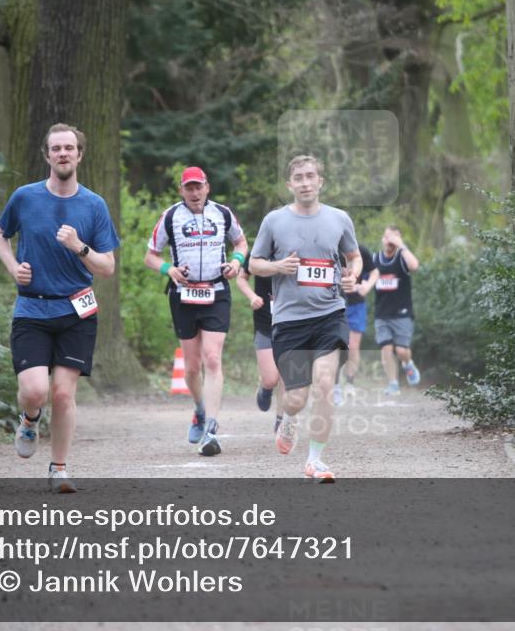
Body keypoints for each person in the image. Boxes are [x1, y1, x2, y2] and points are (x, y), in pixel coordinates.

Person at [0, 123, 120, 493]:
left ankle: (59, 468)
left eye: (69, 148)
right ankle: (30, 419)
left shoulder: (93, 205)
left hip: (77, 310)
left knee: (64, 393)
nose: (63, 154)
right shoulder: (25, 197)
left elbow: (107, 267)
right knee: (35, 391)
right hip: (32, 309)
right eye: (56, 148)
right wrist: (13, 267)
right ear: (47, 156)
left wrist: (79, 246)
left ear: (80, 155)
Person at [249, 155, 362, 481]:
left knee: (325, 384)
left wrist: (352, 276)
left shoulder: (339, 218)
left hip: (330, 313)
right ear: (290, 184)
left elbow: (353, 258)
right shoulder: (274, 221)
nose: (305, 182)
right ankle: (288, 417)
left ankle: (315, 460)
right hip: (288, 321)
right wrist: (277, 268)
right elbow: (255, 264)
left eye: (311, 176)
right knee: (296, 398)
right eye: (298, 177)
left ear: (320, 181)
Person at [145, 167, 247, 457]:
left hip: (216, 292)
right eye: (188, 188)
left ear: (207, 188)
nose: (194, 193)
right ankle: (200, 410)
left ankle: (212, 429)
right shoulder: (170, 216)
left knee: (212, 358)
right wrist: (169, 269)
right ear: (181, 190)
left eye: (198, 187)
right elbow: (150, 256)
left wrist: (237, 262)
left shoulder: (223, 214)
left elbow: (240, 242)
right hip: (183, 295)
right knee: (191, 367)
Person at [368, 225, 420, 397]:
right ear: (383, 239)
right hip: (382, 314)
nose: (390, 242)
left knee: (402, 350)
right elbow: (364, 276)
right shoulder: (375, 259)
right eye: (388, 237)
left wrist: (402, 245)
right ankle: (393, 383)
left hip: (402, 313)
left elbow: (414, 266)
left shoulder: (402, 258)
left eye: (394, 238)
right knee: (386, 350)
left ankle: (408, 364)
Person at [234, 266, 285, 431]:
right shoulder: (260, 250)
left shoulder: (298, 247)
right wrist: (252, 296)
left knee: (287, 373)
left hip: (291, 322)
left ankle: (281, 420)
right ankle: (265, 387)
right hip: (265, 323)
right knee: (271, 379)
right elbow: (241, 278)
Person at [332, 244, 376, 406]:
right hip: (335, 303)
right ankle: (335, 385)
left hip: (356, 305)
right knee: (337, 345)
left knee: (354, 345)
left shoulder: (360, 250)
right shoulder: (328, 246)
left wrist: (367, 285)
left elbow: (374, 271)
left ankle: (350, 382)